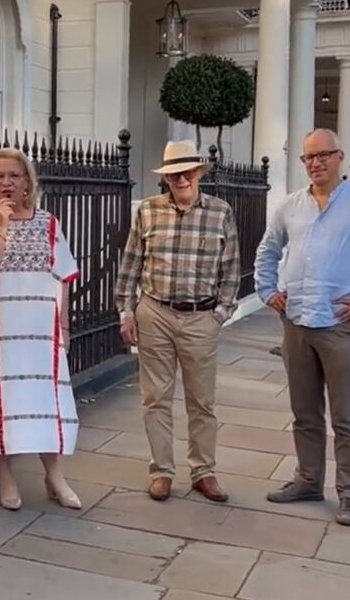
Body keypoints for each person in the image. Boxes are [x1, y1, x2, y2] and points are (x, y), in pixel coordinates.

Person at [254, 129, 350, 527]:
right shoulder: (291, 206)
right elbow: (268, 249)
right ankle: (308, 480)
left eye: (323, 155)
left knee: (346, 416)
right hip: (296, 322)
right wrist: (267, 290)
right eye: (308, 157)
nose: (315, 163)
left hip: (338, 325)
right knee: (304, 412)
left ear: (340, 156)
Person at [0, 147, 82, 511]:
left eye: (14, 175)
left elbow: (63, 277)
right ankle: (6, 476)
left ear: (27, 182)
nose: (6, 182)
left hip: (39, 331)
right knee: (3, 403)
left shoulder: (49, 222)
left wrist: (65, 326)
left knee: (46, 402)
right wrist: (3, 228)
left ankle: (54, 476)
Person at [116, 140, 241, 503]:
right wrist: (126, 312)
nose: (181, 178)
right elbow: (130, 264)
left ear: (199, 173)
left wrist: (220, 314)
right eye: (173, 173)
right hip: (154, 311)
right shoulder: (148, 212)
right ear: (166, 177)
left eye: (187, 172)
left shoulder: (221, 212)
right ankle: (162, 471)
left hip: (201, 315)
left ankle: (204, 471)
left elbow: (231, 268)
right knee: (155, 398)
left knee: (202, 401)